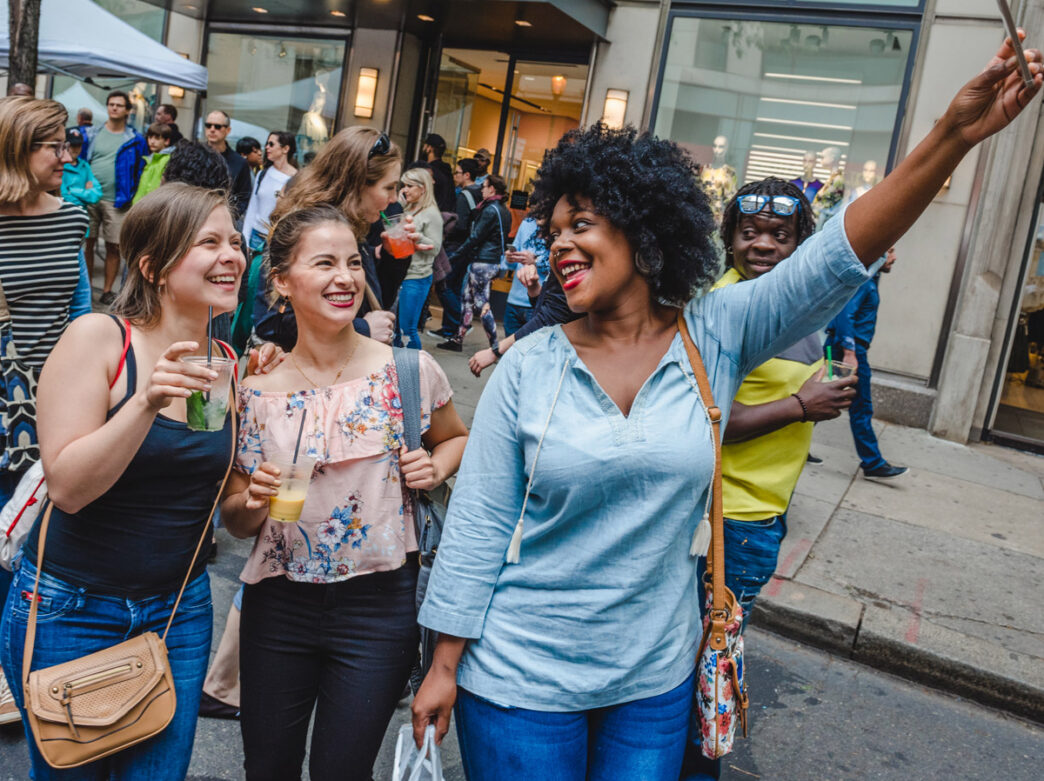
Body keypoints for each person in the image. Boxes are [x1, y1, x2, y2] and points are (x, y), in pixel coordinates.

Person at [410, 38, 1042, 779]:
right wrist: (443, 662)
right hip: (519, 680)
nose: (560, 245)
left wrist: (952, 136)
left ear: (643, 230)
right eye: (553, 232)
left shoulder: (715, 330)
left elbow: (837, 256)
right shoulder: (530, 365)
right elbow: (479, 524)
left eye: (581, 223)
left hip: (651, 682)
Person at [0, 183, 243, 779]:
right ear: (153, 265)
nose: (233, 255)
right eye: (208, 241)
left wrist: (252, 495)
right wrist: (144, 402)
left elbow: (223, 503)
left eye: (236, 241)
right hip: (69, 609)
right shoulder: (102, 338)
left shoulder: (226, 360)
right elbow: (68, 488)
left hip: (178, 611)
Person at [220, 205, 468, 781]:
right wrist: (253, 500)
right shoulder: (253, 391)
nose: (346, 278)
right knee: (269, 767)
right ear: (281, 281)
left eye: (354, 263)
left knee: (344, 769)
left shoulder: (408, 370)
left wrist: (434, 466)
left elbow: (455, 438)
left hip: (379, 606)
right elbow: (235, 521)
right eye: (325, 263)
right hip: (278, 604)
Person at [0, 97, 90, 724]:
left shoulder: (71, 217)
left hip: (54, 405)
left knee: (28, 540)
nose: (66, 156)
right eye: (51, 145)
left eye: (66, 144)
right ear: (14, 150)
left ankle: (15, 674)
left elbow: (82, 309)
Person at [268, 127, 419, 346]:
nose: (394, 198)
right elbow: (274, 320)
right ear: (356, 184)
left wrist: (393, 257)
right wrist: (363, 330)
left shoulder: (357, 230)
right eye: (389, 187)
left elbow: (373, 303)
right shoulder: (302, 229)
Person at [825, 247, 908, 480]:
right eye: (890, 251)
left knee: (826, 398)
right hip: (848, 351)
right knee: (860, 407)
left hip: (839, 348)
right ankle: (872, 463)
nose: (894, 256)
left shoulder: (869, 278)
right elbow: (844, 316)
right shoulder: (863, 281)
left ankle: (796, 444)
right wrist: (850, 353)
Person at [82, 90, 148, 306]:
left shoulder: (135, 139)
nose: (114, 108)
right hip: (89, 197)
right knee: (87, 243)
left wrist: (132, 192)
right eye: (111, 104)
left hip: (117, 199)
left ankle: (108, 290)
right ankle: (87, 286)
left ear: (128, 110)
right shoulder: (92, 133)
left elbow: (141, 167)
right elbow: (81, 160)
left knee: (114, 246)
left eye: (119, 105)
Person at [436, 174, 510, 354]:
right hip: (490, 262)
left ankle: (495, 346)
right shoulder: (504, 211)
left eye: (484, 186)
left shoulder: (490, 210)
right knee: (467, 300)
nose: (481, 189)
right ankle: (458, 339)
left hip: (483, 263)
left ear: (492, 189)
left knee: (481, 303)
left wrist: (454, 257)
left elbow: (475, 238)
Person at [430, 158, 484, 339]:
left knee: (444, 286)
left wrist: (445, 231)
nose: (455, 176)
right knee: (453, 286)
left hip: (456, 246)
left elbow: (459, 224)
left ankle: (459, 323)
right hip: (468, 248)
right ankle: (449, 328)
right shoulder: (479, 193)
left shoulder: (464, 195)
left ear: (467, 175)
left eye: (458, 172)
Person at [396, 166, 443, 348]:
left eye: (409, 186)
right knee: (397, 329)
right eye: (404, 185)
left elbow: (435, 248)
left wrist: (418, 236)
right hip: (403, 274)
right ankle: (397, 371)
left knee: (407, 330)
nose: (405, 189)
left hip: (417, 277)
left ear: (422, 188)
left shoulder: (432, 214)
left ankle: (413, 372)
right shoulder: (409, 208)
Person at [60, 128, 101, 319]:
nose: (74, 150)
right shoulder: (60, 166)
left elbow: (96, 194)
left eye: (78, 145)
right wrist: (82, 192)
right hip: (64, 222)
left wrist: (74, 191)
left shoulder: (85, 166)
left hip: (79, 226)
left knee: (79, 272)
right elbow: (62, 194)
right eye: (71, 145)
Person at [241, 131, 298, 255]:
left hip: (276, 240)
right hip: (255, 235)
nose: (267, 147)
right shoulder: (263, 174)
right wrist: (245, 237)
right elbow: (253, 207)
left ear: (285, 149)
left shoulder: (296, 178)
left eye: (271, 144)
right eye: (267, 144)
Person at [502, 215, 550, 336]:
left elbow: (559, 265)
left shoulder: (558, 226)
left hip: (537, 302)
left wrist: (536, 261)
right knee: (510, 352)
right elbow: (511, 265)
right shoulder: (526, 223)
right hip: (514, 299)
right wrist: (509, 258)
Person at [203, 109, 252, 218]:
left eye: (217, 126)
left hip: (222, 219)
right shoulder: (194, 155)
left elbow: (244, 196)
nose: (212, 129)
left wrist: (230, 217)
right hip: (193, 217)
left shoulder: (239, 162)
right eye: (208, 125)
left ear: (228, 130)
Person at [132, 121, 175, 204]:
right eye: (150, 137)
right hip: (141, 206)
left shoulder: (168, 160)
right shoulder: (149, 159)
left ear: (166, 141)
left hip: (152, 206)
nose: (152, 141)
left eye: (157, 138)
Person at [417, 132, 455, 212]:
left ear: (429, 148)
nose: (423, 148)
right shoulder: (447, 172)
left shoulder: (427, 171)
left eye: (425, 145)